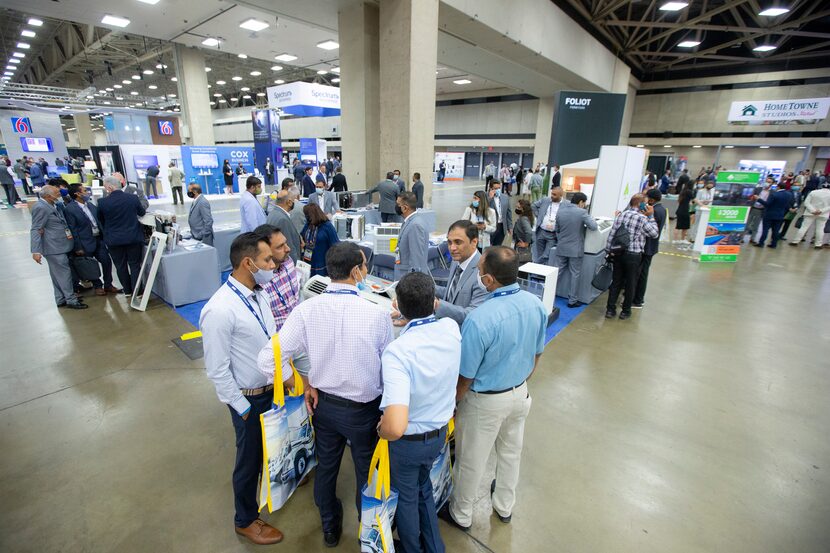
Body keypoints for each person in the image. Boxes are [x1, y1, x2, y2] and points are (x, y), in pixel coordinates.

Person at [259, 242, 394, 548]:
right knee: (366, 474)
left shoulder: (305, 310)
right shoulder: (377, 315)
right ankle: (367, 533)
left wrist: (300, 383)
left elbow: (268, 358)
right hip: (364, 411)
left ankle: (330, 529)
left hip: (324, 408)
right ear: (357, 271)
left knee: (326, 467)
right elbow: (389, 370)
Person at [442, 246, 547, 531]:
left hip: (485, 402)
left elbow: (466, 375)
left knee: (471, 460)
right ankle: (504, 505)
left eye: (479, 273)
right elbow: (538, 352)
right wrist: (520, 381)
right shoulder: (535, 304)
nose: (477, 276)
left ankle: (461, 513)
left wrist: (453, 404)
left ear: (489, 281)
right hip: (520, 393)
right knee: (511, 452)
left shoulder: (480, 319)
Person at [200, 232, 288, 546]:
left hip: (271, 391)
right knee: (248, 461)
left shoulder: (258, 293)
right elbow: (218, 371)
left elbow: (271, 343)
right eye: (267, 260)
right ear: (248, 263)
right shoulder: (220, 310)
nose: (273, 264)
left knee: (268, 453)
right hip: (249, 400)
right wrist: (244, 408)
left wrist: (287, 376)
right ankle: (245, 520)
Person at [378, 272, 460, 553]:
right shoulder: (450, 329)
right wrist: (411, 321)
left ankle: (412, 548)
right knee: (423, 486)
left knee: (406, 497)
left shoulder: (398, 352)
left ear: (398, 305)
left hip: (408, 443)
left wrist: (381, 429)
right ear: (434, 301)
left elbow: (395, 426)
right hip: (438, 435)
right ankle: (434, 546)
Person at [29, 184, 87, 310]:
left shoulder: (53, 205)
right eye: (57, 193)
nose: (60, 194)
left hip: (60, 245)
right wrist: (35, 250)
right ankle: (71, 300)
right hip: (54, 247)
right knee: (64, 274)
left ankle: (61, 298)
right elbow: (36, 229)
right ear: (48, 196)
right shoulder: (41, 208)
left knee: (57, 275)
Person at [605, 194, 658, 320]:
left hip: (618, 253)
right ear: (641, 205)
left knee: (616, 281)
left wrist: (608, 251)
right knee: (631, 283)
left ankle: (610, 310)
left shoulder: (621, 215)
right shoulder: (643, 218)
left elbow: (612, 235)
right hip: (634, 256)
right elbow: (654, 233)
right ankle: (625, 311)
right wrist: (651, 216)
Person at [64, 184, 120, 296]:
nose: (87, 192)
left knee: (106, 261)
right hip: (84, 242)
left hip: (98, 239)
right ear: (77, 194)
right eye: (84, 191)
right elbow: (72, 229)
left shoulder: (90, 205)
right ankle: (97, 285)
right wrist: (77, 247)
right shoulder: (70, 209)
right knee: (90, 266)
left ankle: (108, 284)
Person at [97, 175, 146, 296]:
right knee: (134, 265)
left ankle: (128, 291)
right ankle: (137, 291)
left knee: (120, 266)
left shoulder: (102, 202)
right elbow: (142, 212)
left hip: (113, 239)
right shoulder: (132, 198)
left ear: (109, 187)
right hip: (133, 237)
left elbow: (100, 220)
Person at [432, 220, 488, 326]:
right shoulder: (457, 260)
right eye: (449, 242)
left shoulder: (483, 272)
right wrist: (427, 288)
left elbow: (472, 315)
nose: (452, 248)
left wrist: (437, 305)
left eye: (458, 242)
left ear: (474, 242)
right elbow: (453, 293)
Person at [553, 192, 597, 308]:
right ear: (581, 202)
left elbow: (556, 229)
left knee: (557, 273)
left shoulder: (560, 211)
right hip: (575, 249)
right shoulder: (582, 213)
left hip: (561, 247)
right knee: (575, 274)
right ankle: (572, 300)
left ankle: (550, 295)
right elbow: (594, 226)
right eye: (584, 203)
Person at [254, 224, 301, 330]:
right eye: (280, 247)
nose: (288, 249)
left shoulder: (288, 262)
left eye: (286, 243)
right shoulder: (258, 281)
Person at [632, 189, 666, 309]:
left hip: (647, 247)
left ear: (651, 199)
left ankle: (637, 300)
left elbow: (649, 229)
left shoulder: (654, 211)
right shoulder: (661, 209)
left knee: (641, 274)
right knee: (642, 273)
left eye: (646, 198)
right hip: (651, 247)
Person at [394, 191, 430, 280]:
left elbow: (416, 260)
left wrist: (412, 284)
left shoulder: (415, 225)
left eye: (398, 204)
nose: (396, 207)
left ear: (405, 208)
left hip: (410, 279)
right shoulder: (410, 222)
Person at [301, 203, 340, 276]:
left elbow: (336, 245)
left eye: (307, 215)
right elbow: (302, 235)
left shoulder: (327, 226)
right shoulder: (308, 224)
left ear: (312, 214)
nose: (306, 217)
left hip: (322, 263)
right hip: (308, 261)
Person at [266, 189, 302, 263]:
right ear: (289, 202)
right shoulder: (282, 219)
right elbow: (289, 246)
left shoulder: (273, 213)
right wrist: (296, 264)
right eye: (293, 201)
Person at [789, 182, 830, 248]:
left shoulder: (813, 192)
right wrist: (821, 211)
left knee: (804, 227)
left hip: (810, 213)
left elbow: (806, 202)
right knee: (820, 229)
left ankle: (795, 241)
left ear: (822, 186)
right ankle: (818, 244)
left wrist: (812, 210)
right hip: (823, 214)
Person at [753, 184, 794, 249]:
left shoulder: (774, 194)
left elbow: (767, 204)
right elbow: (787, 204)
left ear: (778, 187)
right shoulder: (789, 195)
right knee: (776, 230)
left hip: (769, 214)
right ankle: (774, 244)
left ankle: (761, 243)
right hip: (780, 215)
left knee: (765, 230)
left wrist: (758, 199)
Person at [531, 186, 564, 264]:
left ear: (560, 195)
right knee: (539, 253)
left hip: (553, 234)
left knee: (546, 255)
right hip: (541, 231)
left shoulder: (566, 204)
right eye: (552, 194)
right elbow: (533, 205)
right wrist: (538, 216)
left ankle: (537, 266)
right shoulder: (546, 200)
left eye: (554, 194)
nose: (552, 196)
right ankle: (538, 272)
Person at [488, 180, 513, 247]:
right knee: (487, 247)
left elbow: (508, 213)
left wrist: (510, 226)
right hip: (490, 226)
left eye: (499, 188)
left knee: (497, 247)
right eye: (495, 188)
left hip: (502, 227)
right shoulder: (486, 197)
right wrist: (490, 198)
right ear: (491, 188)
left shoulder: (505, 197)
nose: (498, 190)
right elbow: (482, 209)